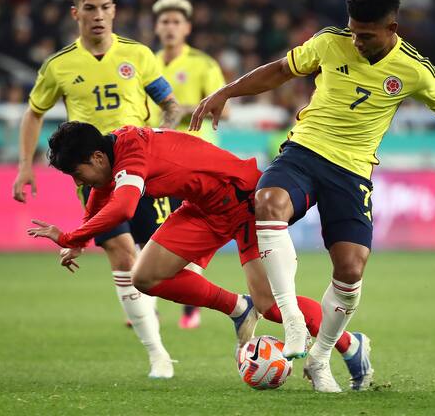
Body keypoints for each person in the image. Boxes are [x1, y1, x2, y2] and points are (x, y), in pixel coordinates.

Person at [190, 0, 435, 392]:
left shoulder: (414, 69)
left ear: (392, 29)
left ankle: (320, 358)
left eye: (366, 35)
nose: (356, 41)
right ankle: (293, 321)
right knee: (267, 202)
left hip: (351, 172)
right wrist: (226, 90)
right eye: (353, 31)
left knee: (350, 271)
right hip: (304, 151)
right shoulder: (330, 43)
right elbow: (280, 70)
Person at [27, 121, 373, 386]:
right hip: (204, 208)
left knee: (270, 304)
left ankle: (349, 344)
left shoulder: (131, 154)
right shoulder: (116, 153)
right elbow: (102, 193)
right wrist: (80, 237)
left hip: (242, 200)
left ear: (97, 157)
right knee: (144, 277)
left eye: (78, 173)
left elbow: (123, 207)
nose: (80, 181)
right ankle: (239, 307)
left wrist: (70, 235)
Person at [11, 0, 181, 379]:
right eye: (90, 8)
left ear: (114, 11)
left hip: (141, 169)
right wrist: (24, 164)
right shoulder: (59, 65)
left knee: (163, 262)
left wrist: (161, 133)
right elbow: (34, 111)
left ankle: (208, 308)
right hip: (92, 178)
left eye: (106, 7)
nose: (99, 16)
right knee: (122, 254)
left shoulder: (138, 55)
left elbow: (170, 104)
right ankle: (158, 354)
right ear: (76, 13)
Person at [148, 0, 228, 329]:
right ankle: (150, 301)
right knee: (156, 232)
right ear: (156, 26)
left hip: (197, 161)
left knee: (191, 233)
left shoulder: (203, 64)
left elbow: (226, 106)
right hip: (158, 158)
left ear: (187, 28)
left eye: (176, 22)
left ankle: (190, 302)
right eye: (164, 22)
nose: (169, 27)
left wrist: (182, 110)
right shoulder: (146, 62)